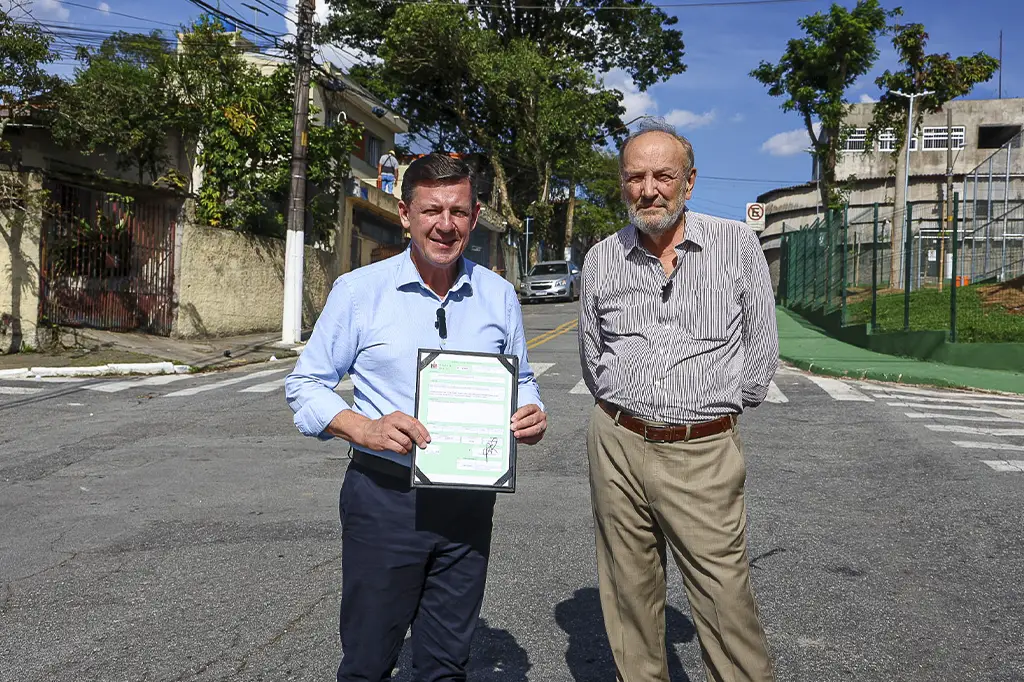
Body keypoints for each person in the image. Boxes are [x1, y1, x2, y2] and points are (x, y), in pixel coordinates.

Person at [285, 153, 547, 682]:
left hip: (469, 500)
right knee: (368, 659)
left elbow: (519, 378)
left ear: (474, 218)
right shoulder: (360, 292)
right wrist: (365, 428)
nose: (444, 225)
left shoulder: (498, 294)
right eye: (431, 210)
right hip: (384, 498)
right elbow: (305, 384)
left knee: (447, 663)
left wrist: (532, 410)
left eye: (457, 211)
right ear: (406, 215)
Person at [578, 119, 779, 682]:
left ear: (689, 182)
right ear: (623, 185)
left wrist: (705, 415)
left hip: (702, 449)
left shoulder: (735, 245)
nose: (648, 189)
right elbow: (594, 359)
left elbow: (761, 352)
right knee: (628, 596)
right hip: (616, 442)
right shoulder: (600, 259)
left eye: (662, 176)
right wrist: (626, 412)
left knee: (725, 601)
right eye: (635, 177)